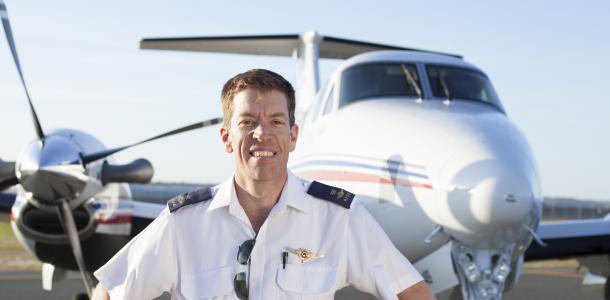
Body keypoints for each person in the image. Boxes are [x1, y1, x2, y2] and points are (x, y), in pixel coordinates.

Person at [92, 69, 435, 300]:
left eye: (275, 121)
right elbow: (109, 291)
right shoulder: (183, 223)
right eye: (247, 122)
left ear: (293, 135)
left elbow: (412, 292)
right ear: (226, 138)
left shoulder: (339, 218)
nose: (262, 134)